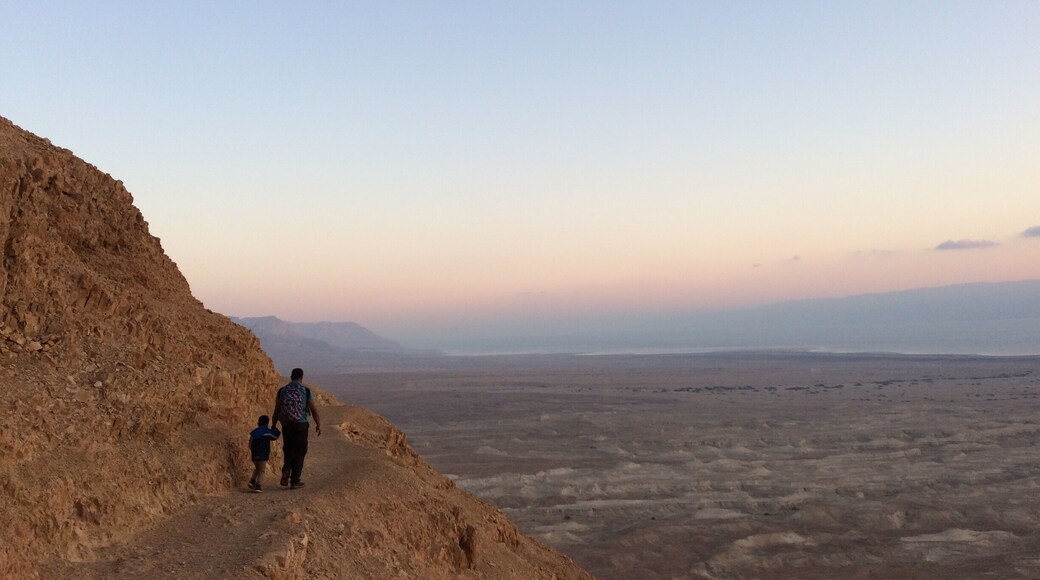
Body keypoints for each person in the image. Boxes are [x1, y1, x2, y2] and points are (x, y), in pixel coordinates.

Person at [272, 367, 321, 489]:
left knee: (288, 449)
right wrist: (318, 424)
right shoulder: (305, 391)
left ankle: (286, 469)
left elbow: (277, 410)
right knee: (300, 451)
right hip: (301, 425)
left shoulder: (282, 391)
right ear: (301, 378)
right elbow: (314, 410)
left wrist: (273, 425)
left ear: (291, 377)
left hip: (286, 425)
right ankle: (295, 480)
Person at [247, 415, 280, 493]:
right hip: (263, 454)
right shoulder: (267, 431)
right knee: (261, 470)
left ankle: (252, 481)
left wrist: (252, 449)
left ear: (259, 422)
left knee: (257, 468)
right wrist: (275, 428)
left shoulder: (254, 432)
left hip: (254, 453)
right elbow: (275, 436)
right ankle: (258, 485)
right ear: (267, 423)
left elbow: (250, 443)